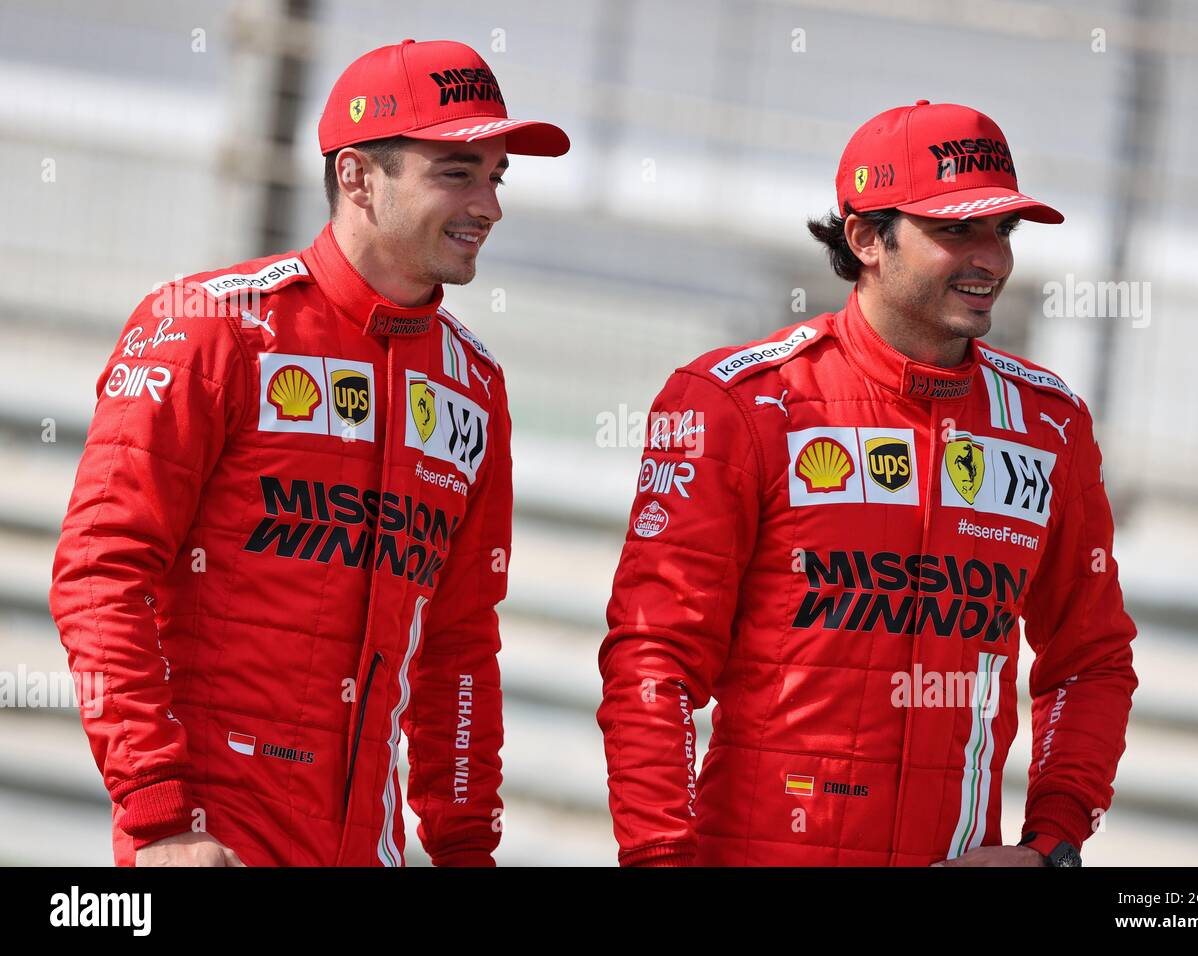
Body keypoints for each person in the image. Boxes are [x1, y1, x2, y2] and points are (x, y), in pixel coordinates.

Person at [49, 39, 568, 866]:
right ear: (358, 177)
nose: (490, 207)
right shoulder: (210, 324)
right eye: (457, 173)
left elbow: (460, 645)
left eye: (496, 177)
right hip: (214, 837)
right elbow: (99, 571)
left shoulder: (474, 385)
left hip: (370, 844)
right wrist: (160, 818)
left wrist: (467, 847)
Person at [597, 100, 1137, 867]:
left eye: (1002, 231)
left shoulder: (1048, 426)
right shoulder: (742, 404)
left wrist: (1053, 844)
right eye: (957, 229)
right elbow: (653, 661)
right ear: (865, 239)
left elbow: (1090, 659)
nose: (993, 259)